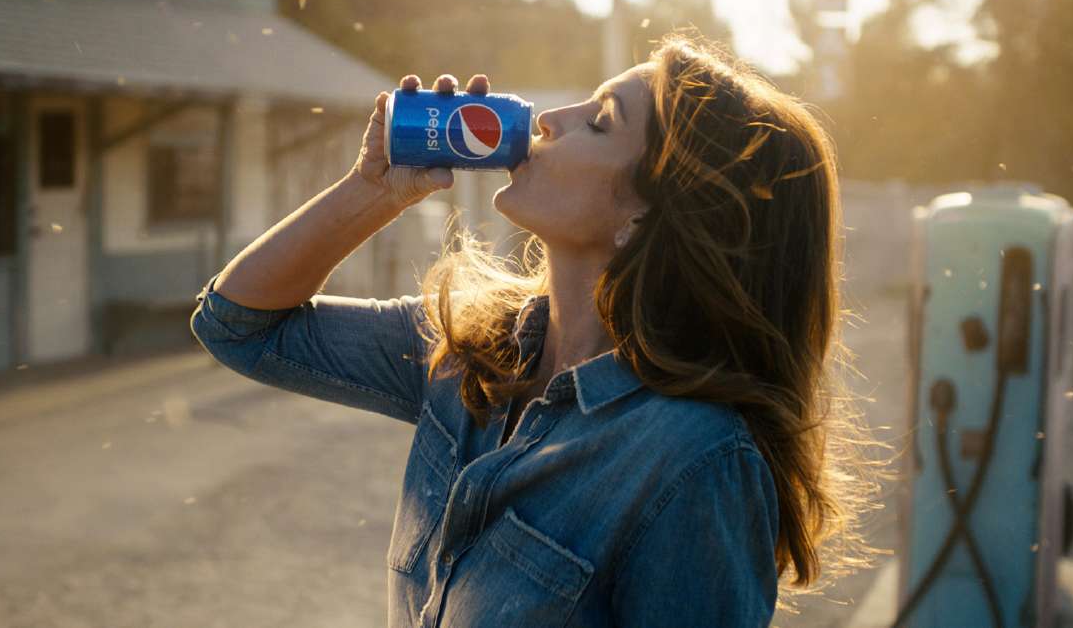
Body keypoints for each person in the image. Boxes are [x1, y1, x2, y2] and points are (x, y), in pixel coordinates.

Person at [191, 33, 883, 627]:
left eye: (602, 121)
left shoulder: (694, 463)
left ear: (642, 218)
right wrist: (371, 193)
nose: (551, 118)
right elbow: (238, 327)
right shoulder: (466, 348)